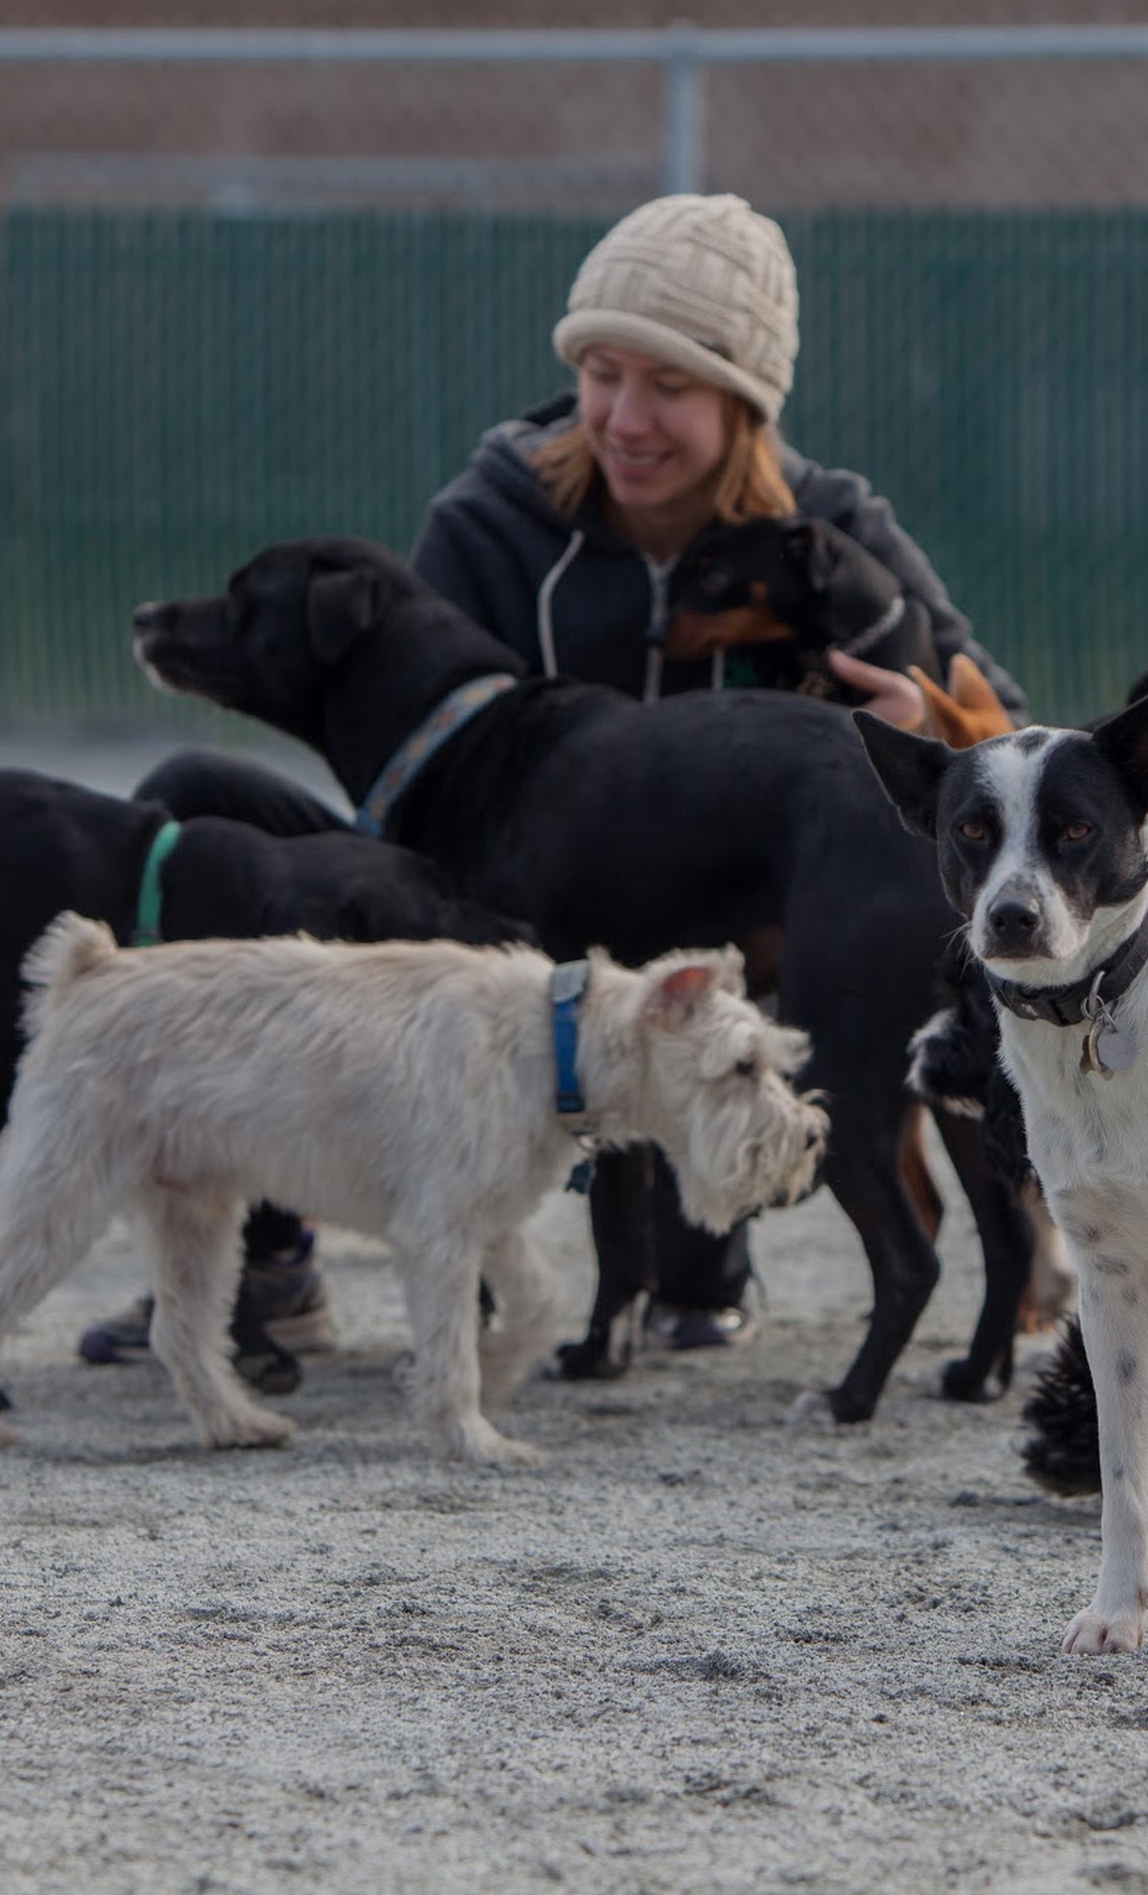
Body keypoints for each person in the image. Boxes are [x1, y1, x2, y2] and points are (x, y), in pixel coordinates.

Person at [77, 191, 1026, 1378]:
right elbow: (410, 762)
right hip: (492, 913)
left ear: (744, 404)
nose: (626, 418)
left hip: (716, 964)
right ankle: (270, 1255)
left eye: (668, 387)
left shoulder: (831, 530)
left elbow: (1008, 732)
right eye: (601, 374)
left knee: (693, 1267)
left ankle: (729, 1263)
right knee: (195, 812)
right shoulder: (490, 519)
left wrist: (921, 723)